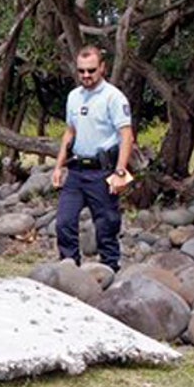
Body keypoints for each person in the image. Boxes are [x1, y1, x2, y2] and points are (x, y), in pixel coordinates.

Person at [52, 45, 133, 272]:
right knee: (64, 222)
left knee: (106, 225)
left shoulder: (113, 97)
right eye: (81, 71)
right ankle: (69, 269)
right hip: (77, 170)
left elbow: (126, 136)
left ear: (102, 68)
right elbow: (70, 132)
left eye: (91, 70)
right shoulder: (73, 97)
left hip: (103, 171)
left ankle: (109, 271)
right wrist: (58, 167)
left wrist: (119, 173)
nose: (86, 76)